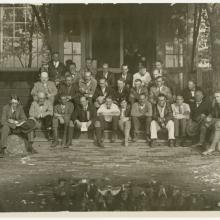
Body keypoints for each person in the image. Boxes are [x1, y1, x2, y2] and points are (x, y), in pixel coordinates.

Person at [202, 91, 220, 155]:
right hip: (217, 123)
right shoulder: (216, 105)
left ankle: (212, 148)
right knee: (206, 122)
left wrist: (212, 120)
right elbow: (212, 114)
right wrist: (209, 117)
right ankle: (210, 145)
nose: (216, 98)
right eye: (215, 97)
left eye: (218, 97)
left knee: (217, 124)